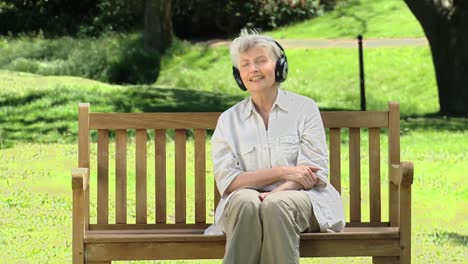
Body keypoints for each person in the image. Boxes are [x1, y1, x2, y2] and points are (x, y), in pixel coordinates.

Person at [204, 29, 345, 264]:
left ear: (280, 67)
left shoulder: (304, 109)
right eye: (246, 64)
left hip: (301, 198)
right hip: (245, 203)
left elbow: (313, 171)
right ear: (239, 75)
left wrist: (273, 195)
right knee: (244, 201)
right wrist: (282, 172)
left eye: (261, 61)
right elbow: (229, 182)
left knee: (276, 206)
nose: (253, 69)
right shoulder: (229, 119)